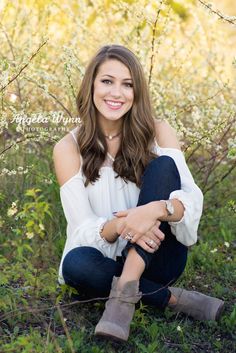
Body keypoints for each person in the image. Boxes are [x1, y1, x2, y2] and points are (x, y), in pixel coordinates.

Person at [53, 44, 224, 342]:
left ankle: (125, 292)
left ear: (137, 92)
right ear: (91, 84)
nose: (116, 93)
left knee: (164, 166)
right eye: (107, 81)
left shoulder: (158, 132)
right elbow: (81, 230)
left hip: (160, 257)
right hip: (105, 261)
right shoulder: (68, 148)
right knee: (75, 264)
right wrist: (122, 225)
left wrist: (154, 211)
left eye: (127, 84)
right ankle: (171, 298)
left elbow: (192, 202)